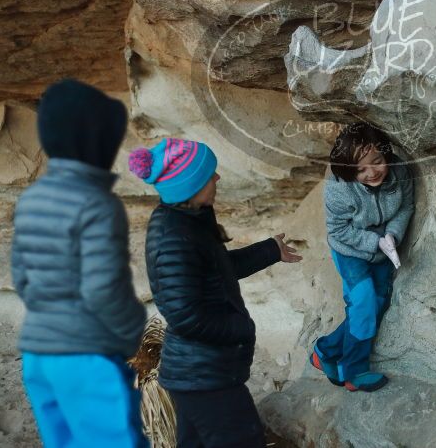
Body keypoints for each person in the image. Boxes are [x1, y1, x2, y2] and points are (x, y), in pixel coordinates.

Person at [129, 138, 302, 448]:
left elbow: (216, 268)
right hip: (204, 376)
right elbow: (184, 315)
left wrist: (270, 250)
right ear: (189, 186)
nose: (218, 178)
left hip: (199, 373)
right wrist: (241, 328)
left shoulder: (187, 220)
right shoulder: (174, 237)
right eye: (210, 175)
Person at [11, 79, 148, 448]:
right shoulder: (97, 204)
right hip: (86, 355)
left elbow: (21, 279)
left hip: (38, 354)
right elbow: (103, 289)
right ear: (96, 142)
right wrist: (134, 329)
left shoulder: (32, 199)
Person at [309, 122, 415, 392]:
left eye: (377, 161)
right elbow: (337, 229)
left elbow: (405, 207)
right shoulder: (338, 186)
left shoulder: (400, 172)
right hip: (350, 249)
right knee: (363, 301)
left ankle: (324, 352)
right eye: (361, 169)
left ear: (385, 155)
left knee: (376, 305)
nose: (372, 172)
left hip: (384, 248)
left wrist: (392, 235)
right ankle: (354, 372)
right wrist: (373, 241)